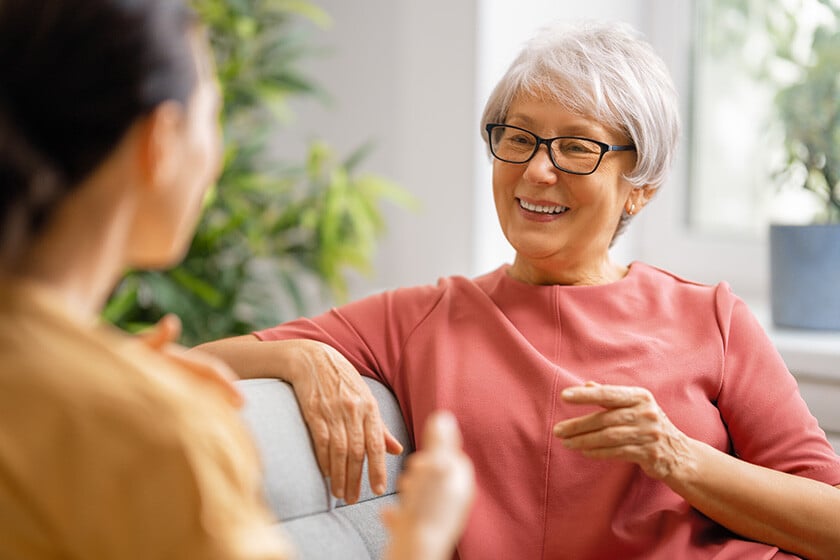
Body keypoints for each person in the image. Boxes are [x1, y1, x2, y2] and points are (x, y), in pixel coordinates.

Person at [197, 20, 840, 560]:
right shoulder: (422, 318)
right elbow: (164, 362)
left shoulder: (713, 318)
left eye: (577, 147)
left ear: (640, 185)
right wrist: (297, 353)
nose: (536, 170)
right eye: (518, 137)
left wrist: (675, 455)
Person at [0, 0, 473, 558]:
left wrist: (125, 369)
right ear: (159, 143)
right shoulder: (153, 430)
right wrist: (425, 534)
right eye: (213, 116)